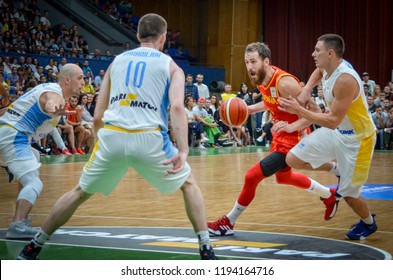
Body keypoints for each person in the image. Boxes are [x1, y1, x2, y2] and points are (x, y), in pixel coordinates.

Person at [18, 13, 217, 260]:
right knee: (189, 185)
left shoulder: (117, 61)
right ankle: (206, 248)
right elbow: (177, 108)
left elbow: (99, 114)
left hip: (112, 136)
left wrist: (102, 143)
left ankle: (33, 247)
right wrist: (184, 150)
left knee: (79, 192)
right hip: (149, 137)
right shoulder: (170, 65)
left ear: (137, 35)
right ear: (163, 37)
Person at [208, 42, 336, 236]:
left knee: (252, 176)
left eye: (253, 61)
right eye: (246, 62)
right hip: (280, 136)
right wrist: (249, 109)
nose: (249, 66)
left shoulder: (284, 82)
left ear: (265, 61)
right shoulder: (260, 79)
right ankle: (329, 195)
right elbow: (270, 102)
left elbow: (314, 111)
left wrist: (292, 126)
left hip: (294, 139)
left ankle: (228, 222)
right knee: (284, 177)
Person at [280, 34, 377, 240]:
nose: (313, 54)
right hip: (337, 133)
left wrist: (299, 108)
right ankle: (338, 170)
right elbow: (318, 71)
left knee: (350, 196)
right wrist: (306, 90)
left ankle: (369, 224)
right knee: (293, 159)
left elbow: (331, 120)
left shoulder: (345, 80)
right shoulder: (328, 67)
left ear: (330, 54)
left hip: (358, 142)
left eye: (317, 50)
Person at [0, 64, 84, 240]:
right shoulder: (55, 94)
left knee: (34, 157)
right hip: (15, 136)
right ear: (67, 80)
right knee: (34, 183)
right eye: (80, 78)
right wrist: (52, 108)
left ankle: (19, 218)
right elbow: (50, 101)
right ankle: (18, 224)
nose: (84, 82)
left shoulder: (45, 88)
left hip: (8, 132)